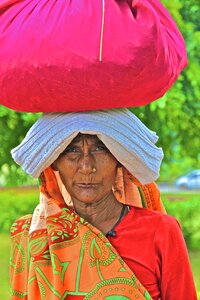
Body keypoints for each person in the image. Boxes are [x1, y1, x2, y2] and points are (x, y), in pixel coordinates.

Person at [10, 109, 197, 299]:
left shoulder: (161, 231)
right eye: (72, 150)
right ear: (54, 162)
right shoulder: (36, 237)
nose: (86, 167)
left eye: (100, 149)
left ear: (119, 159)